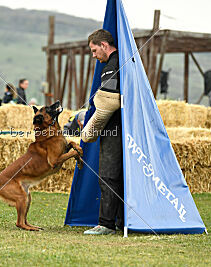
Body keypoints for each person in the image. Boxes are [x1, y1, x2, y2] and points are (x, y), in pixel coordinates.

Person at [83, 29, 123, 235]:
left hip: (113, 129)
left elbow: (107, 105)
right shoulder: (125, 61)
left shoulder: (111, 66)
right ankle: (122, 222)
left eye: (94, 50)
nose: (93, 55)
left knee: (108, 175)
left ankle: (106, 224)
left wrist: (88, 130)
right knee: (121, 176)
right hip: (125, 128)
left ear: (104, 46)